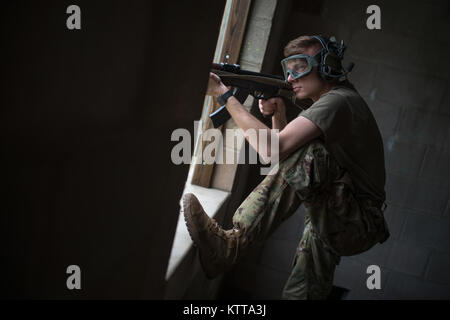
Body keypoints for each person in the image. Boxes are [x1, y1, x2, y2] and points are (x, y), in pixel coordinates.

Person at [183, 35, 390, 300]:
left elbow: (274, 149)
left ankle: (232, 245)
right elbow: (287, 164)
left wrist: (225, 96)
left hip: (356, 219)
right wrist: (278, 115)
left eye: (300, 68)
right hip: (344, 214)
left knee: (314, 154)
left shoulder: (338, 101)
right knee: (303, 292)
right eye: (288, 70)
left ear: (327, 65)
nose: (291, 79)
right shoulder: (339, 101)